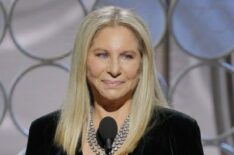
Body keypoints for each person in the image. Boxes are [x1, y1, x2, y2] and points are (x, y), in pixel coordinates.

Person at [25, 6, 204, 155]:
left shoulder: (178, 131)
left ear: (142, 65)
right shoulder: (44, 132)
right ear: (83, 61)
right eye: (102, 55)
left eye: (127, 56)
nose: (114, 69)